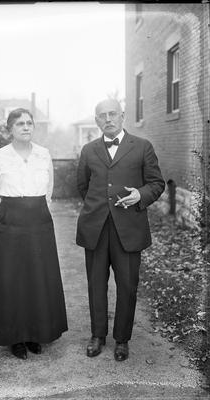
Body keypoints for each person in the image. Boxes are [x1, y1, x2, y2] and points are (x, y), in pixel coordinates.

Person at [76, 98, 165, 361]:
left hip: (129, 228)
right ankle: (98, 335)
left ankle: (122, 339)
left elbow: (157, 183)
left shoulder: (142, 147)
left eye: (112, 113)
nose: (108, 119)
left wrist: (140, 195)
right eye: (102, 115)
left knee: (127, 286)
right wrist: (98, 209)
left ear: (123, 116)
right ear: (96, 121)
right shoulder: (89, 150)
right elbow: (82, 186)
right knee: (95, 284)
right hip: (96, 229)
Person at [0, 108, 68, 359]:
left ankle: (35, 333)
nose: (26, 127)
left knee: (37, 277)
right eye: (20, 123)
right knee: (10, 279)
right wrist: (3, 221)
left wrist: (37, 214)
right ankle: (14, 337)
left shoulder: (43, 154)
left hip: (38, 222)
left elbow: (48, 191)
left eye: (29, 123)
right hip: (9, 223)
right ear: (10, 129)